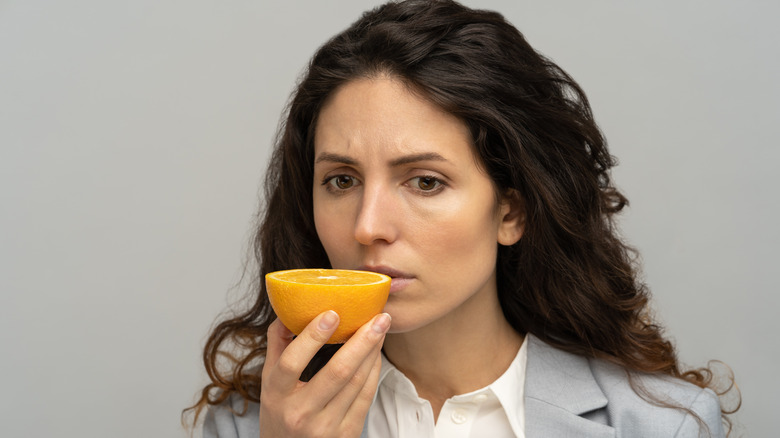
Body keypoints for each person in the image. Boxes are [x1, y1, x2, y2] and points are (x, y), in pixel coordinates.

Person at [185, 1, 739, 436]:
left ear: (511, 211)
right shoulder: (249, 427)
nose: (366, 226)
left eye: (425, 181)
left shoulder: (664, 427)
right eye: (342, 181)